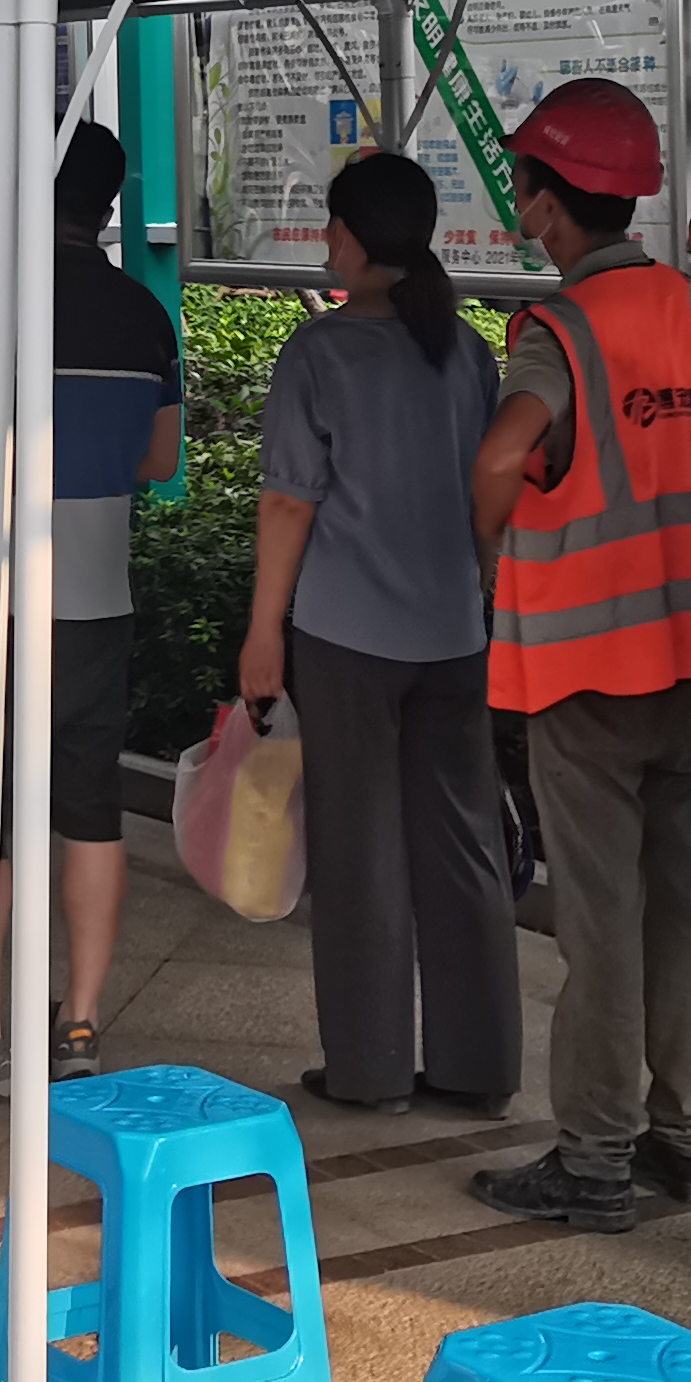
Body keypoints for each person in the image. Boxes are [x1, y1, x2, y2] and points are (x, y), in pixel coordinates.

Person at [462, 79, 691, 1232]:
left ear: (545, 203)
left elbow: (502, 456)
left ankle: (595, 1155)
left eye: (524, 186)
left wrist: (489, 548)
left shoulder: (561, 331)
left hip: (586, 667)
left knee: (601, 919)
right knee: (684, 903)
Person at [0, 120, 183, 1086]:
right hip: (97, 600)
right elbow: (160, 458)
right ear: (106, 206)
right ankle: (78, 1026)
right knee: (90, 810)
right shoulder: (144, 313)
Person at [250, 152, 521, 1115]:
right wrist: (479, 592)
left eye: (334, 226)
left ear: (359, 237)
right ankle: (478, 1066)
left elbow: (289, 503)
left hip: (347, 635)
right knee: (464, 846)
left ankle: (368, 1070)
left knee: (359, 851)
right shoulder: (467, 350)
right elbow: (490, 497)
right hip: (454, 631)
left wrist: (262, 631)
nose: (327, 242)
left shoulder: (319, 353)